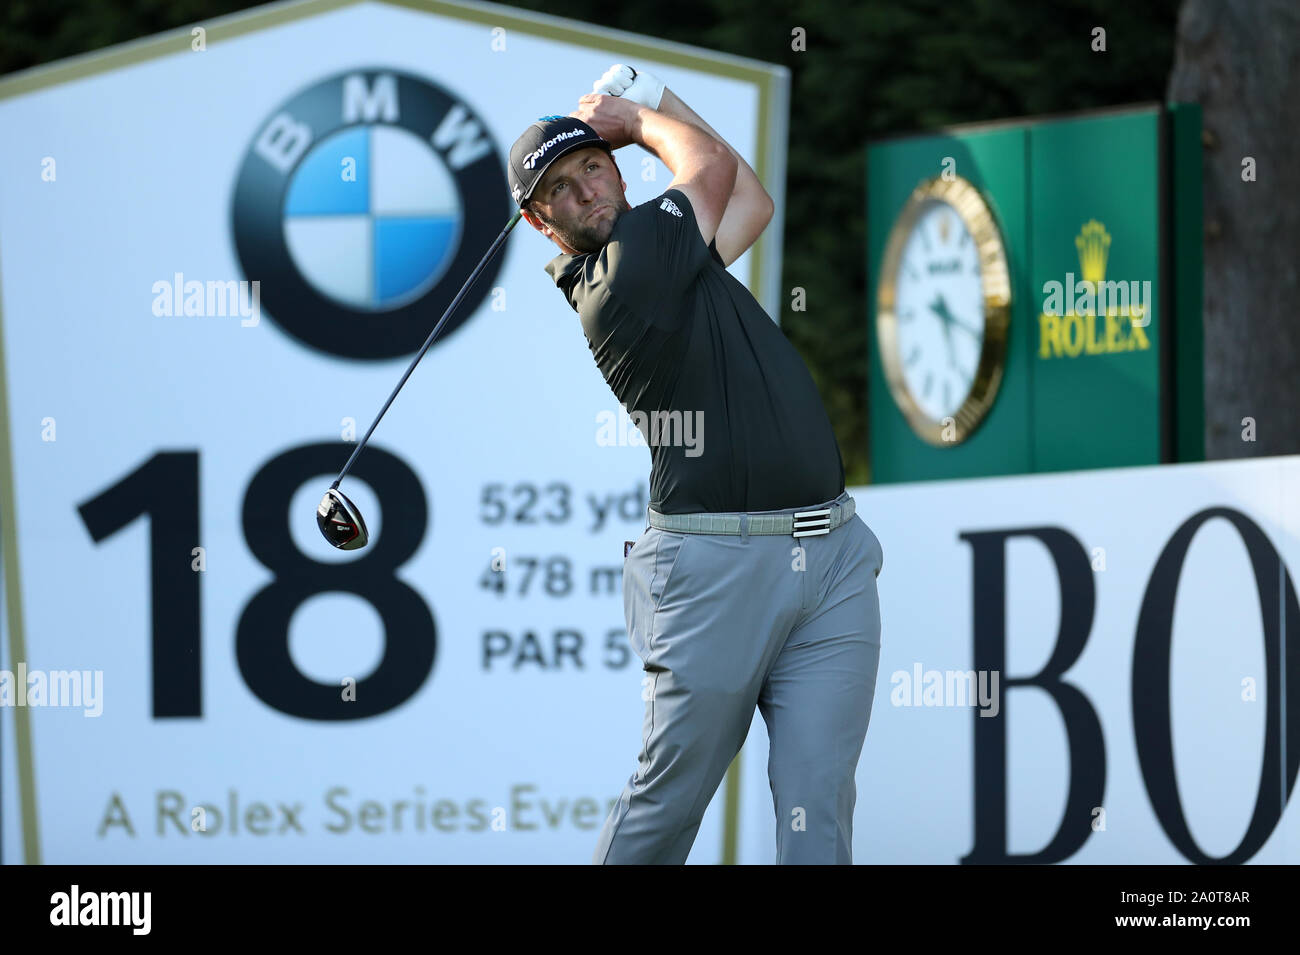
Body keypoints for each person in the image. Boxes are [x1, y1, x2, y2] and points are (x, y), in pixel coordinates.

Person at [506, 65, 885, 864]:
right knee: (668, 802)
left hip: (834, 556)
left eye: (592, 169)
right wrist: (634, 119)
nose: (587, 193)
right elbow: (708, 170)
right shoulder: (623, 274)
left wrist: (656, 103)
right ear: (544, 226)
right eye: (563, 193)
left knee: (819, 802)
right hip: (715, 565)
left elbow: (749, 198)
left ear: (612, 169)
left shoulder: (673, 251)